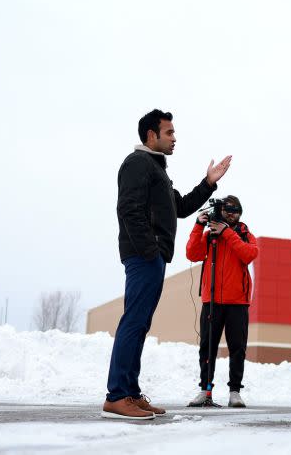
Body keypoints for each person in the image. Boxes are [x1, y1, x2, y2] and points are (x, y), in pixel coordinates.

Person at [102, 109, 232, 420]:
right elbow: (128, 209)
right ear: (151, 135)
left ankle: (130, 392)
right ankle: (117, 395)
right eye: (169, 132)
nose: (175, 138)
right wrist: (150, 249)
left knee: (140, 323)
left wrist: (208, 183)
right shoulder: (137, 163)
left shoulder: (156, 169)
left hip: (153, 255)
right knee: (134, 322)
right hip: (144, 255)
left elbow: (182, 207)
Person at [185, 195, 259, 408]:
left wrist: (227, 233)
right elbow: (192, 254)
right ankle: (204, 389)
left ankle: (235, 391)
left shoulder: (245, 234)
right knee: (207, 346)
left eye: (236, 211)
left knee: (238, 347)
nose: (231, 214)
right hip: (212, 299)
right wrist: (198, 226)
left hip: (238, 301)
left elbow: (249, 254)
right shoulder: (210, 236)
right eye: (227, 210)